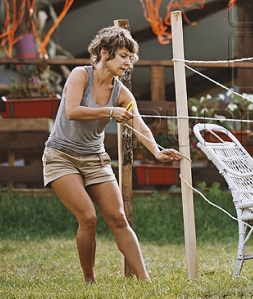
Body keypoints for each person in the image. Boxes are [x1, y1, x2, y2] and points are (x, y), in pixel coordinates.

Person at [42, 26, 182, 283]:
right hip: (61, 155)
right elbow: (72, 110)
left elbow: (139, 125)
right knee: (88, 217)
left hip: (94, 158)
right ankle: (89, 279)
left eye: (130, 57)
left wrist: (157, 152)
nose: (128, 62)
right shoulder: (80, 76)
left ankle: (145, 281)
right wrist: (109, 112)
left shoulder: (122, 94)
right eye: (123, 56)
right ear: (104, 53)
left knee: (118, 218)